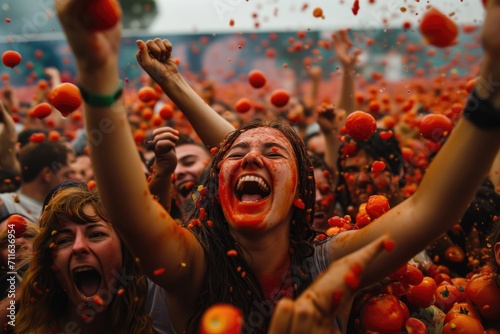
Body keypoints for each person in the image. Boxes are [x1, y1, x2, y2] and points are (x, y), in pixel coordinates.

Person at [55, 1, 500, 334]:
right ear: (217, 181)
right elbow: (132, 213)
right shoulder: (192, 265)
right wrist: (97, 73)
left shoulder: (333, 261)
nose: (252, 156)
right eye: (237, 153)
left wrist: (494, 76)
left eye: (273, 155)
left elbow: (431, 209)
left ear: (301, 192)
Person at [14, 181, 162, 333]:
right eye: (64, 240)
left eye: (96, 234)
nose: (78, 247)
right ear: (51, 264)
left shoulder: (160, 322)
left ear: (125, 252)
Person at [0, 140, 78, 223]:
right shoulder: (6, 205)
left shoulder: (63, 211)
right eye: (66, 174)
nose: (75, 179)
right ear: (47, 174)